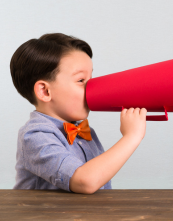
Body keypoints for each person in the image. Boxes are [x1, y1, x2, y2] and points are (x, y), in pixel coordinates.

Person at [10, 33, 146, 194]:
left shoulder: (82, 131)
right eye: (81, 81)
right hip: (47, 219)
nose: (92, 87)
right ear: (45, 91)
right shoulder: (35, 135)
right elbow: (84, 182)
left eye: (92, 79)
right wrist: (131, 137)